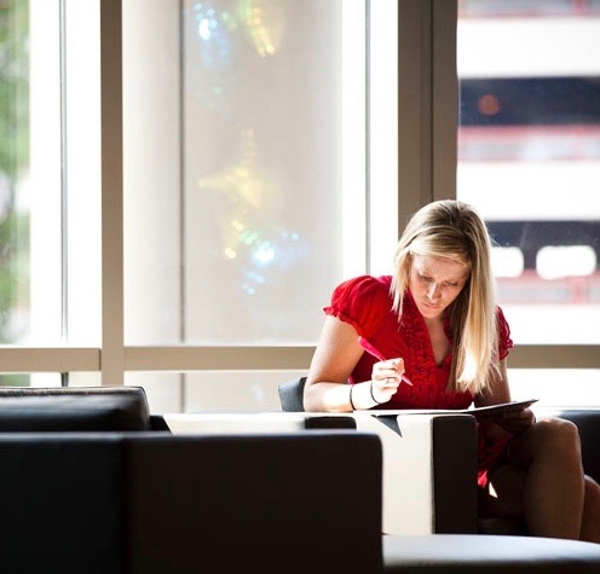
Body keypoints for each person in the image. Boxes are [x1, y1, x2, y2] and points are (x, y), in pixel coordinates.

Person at [303, 199, 600, 542]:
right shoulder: (368, 299)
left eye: (451, 284)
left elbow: (496, 419)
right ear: (407, 260)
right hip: (402, 460)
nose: (433, 294)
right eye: (424, 277)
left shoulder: (482, 318)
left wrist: (516, 419)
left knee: (559, 432)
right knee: (588, 494)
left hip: (469, 460)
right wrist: (366, 392)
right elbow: (314, 393)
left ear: (470, 279)